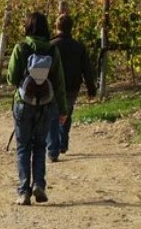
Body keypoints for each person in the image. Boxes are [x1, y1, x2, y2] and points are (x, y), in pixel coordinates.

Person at [7, 11, 68, 206]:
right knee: (40, 146)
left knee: (23, 146)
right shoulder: (52, 50)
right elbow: (59, 82)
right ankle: (39, 184)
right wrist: (63, 109)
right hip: (46, 104)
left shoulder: (21, 48)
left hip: (24, 103)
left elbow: (11, 78)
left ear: (27, 26)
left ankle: (23, 190)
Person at [47, 13, 97, 162]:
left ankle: (52, 150)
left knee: (53, 117)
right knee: (66, 113)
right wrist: (91, 89)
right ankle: (63, 143)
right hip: (72, 87)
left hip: (54, 86)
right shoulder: (79, 47)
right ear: (71, 28)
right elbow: (87, 69)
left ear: (56, 27)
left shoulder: (51, 46)